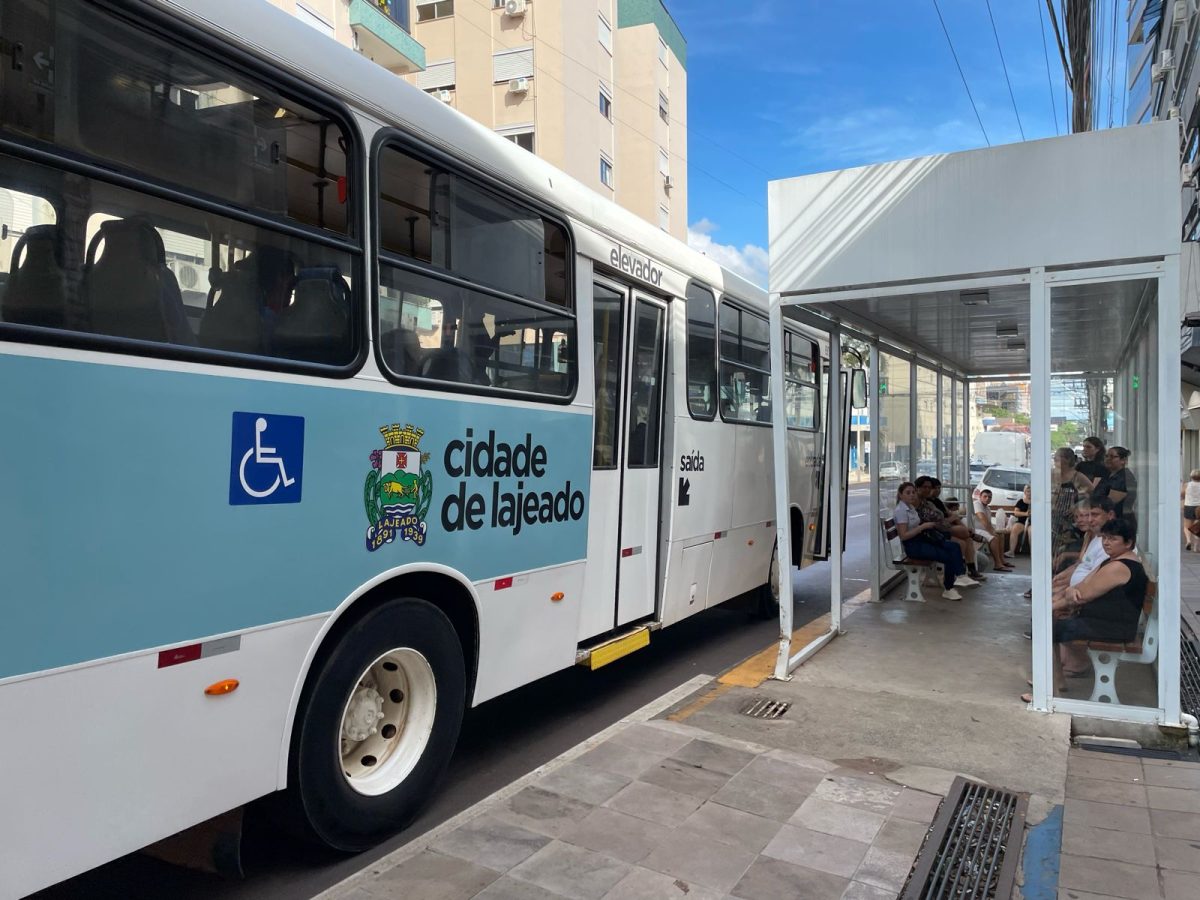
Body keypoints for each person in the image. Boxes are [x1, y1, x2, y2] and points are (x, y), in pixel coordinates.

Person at [1021, 518, 1148, 703]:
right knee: (1050, 621)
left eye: (1113, 539)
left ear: (1128, 543)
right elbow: (1082, 584)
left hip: (1112, 627)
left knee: (1046, 626)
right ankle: (1056, 682)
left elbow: (1084, 593)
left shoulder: (1119, 567)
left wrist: (1046, 609)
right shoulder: (1114, 560)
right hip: (1105, 621)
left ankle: (1049, 692)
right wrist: (1070, 591)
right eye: (1105, 538)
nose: (1106, 543)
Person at [893, 481, 977, 600]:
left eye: (913, 492)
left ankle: (960, 575)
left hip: (923, 539)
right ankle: (949, 588)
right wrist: (923, 526)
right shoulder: (901, 511)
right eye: (908, 493)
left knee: (954, 546)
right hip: (914, 546)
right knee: (949, 556)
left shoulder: (910, 507)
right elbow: (904, 536)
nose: (912, 495)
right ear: (901, 495)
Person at [916, 477, 986, 581]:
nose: (936, 490)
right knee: (960, 542)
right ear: (917, 488)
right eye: (934, 488)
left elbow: (947, 516)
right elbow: (936, 521)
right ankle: (956, 574)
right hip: (934, 533)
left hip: (940, 530)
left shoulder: (933, 502)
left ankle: (969, 570)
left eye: (931, 487)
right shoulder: (921, 504)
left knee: (967, 539)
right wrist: (951, 520)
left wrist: (958, 522)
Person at [971, 489, 1014, 572]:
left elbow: (989, 523)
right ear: (980, 497)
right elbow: (983, 519)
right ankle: (997, 564)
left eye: (989, 497)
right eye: (985, 496)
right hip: (974, 530)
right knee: (993, 538)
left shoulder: (987, 508)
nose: (987, 498)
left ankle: (1002, 561)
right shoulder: (977, 504)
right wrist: (992, 533)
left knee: (1000, 535)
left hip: (983, 529)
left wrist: (996, 531)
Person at [1098, 446, 1136, 528]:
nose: (1108, 459)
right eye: (1106, 456)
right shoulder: (1108, 474)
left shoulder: (1123, 477)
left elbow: (1110, 503)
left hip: (1119, 522)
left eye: (1112, 457)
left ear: (1123, 460)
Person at [1009, 484, 1032, 555]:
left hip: (1032, 523)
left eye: (1031, 491)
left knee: (1032, 531)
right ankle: (1011, 551)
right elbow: (1016, 512)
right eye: (1028, 491)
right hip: (1021, 522)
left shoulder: (1037, 502)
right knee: (1014, 528)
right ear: (1025, 492)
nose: (1030, 493)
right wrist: (1025, 514)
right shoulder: (1021, 501)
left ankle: (1033, 553)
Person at [1183, 469, 1200, 552]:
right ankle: (1196, 547)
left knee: (1187, 526)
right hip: (1199, 507)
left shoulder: (1187, 485)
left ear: (1191, 476)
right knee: (1197, 527)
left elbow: (1182, 494)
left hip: (1189, 506)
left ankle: (1189, 541)